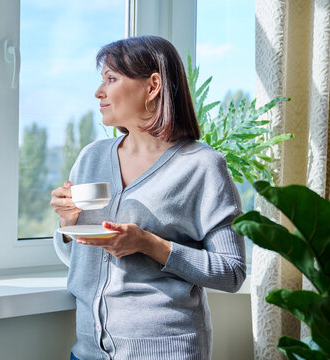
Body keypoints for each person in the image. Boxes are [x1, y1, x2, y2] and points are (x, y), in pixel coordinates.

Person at [50, 35, 246, 360]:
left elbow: (231, 272)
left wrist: (148, 244)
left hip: (165, 351)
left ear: (153, 85)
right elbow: (82, 261)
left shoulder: (201, 166)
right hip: (86, 352)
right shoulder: (92, 158)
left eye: (111, 79)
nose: (99, 93)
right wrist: (67, 224)